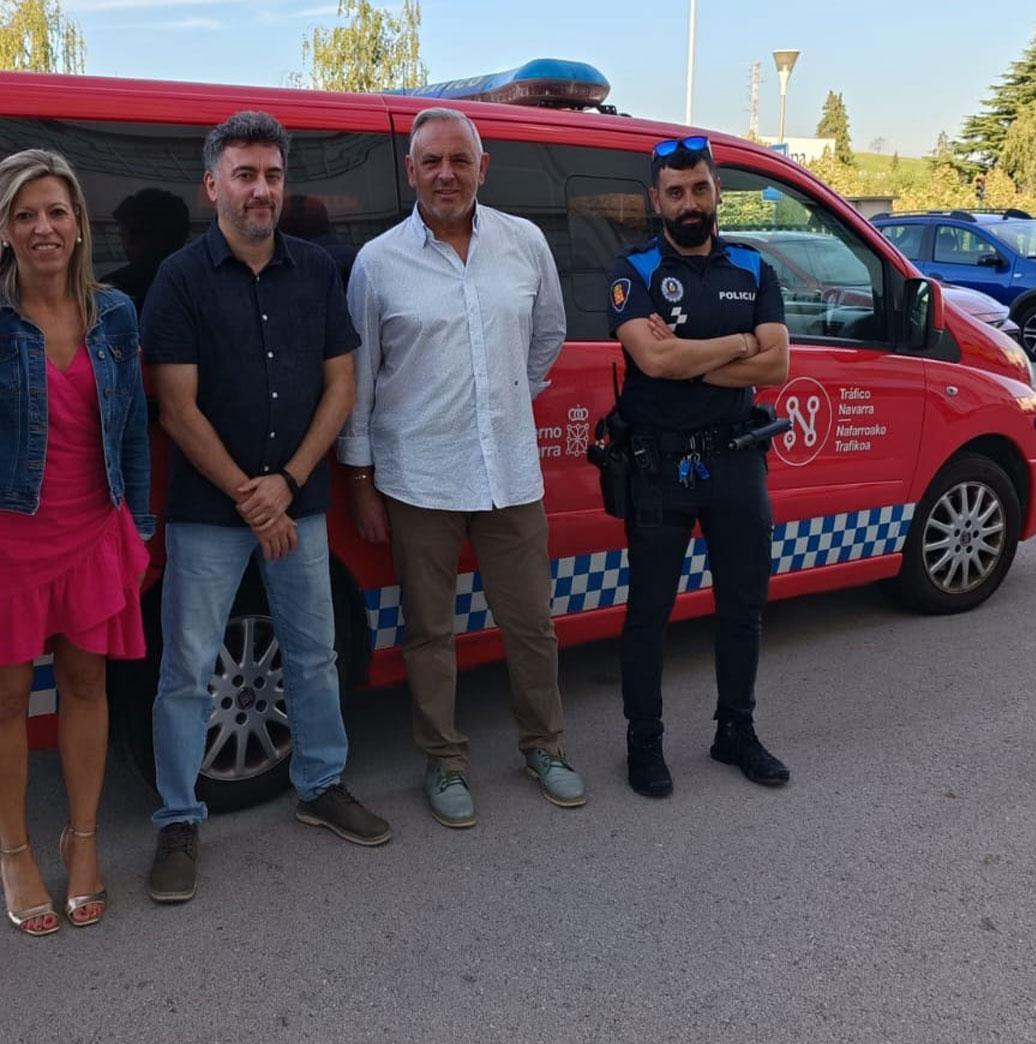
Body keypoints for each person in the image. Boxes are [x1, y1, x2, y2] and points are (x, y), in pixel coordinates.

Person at [141, 110, 391, 904]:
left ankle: (322, 786)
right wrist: (256, 498)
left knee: (314, 654)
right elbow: (177, 409)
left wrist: (286, 482)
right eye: (245, 175)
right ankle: (179, 818)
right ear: (212, 184)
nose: (261, 190)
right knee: (185, 671)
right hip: (209, 514)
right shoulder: (179, 278)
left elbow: (342, 385)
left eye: (273, 176)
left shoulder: (317, 270)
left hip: (299, 501)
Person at [0, 149, 152, 937]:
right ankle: (15, 850)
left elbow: (134, 432)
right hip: (0, 531)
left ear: (79, 224)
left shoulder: (117, 314)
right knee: (7, 693)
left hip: (94, 525)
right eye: (24, 215)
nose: (43, 228)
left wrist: (141, 527)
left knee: (88, 685)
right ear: (2, 228)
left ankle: (82, 839)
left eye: (56, 211)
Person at [339, 107, 580, 828]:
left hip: (509, 470)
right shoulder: (378, 263)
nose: (447, 174)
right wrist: (360, 478)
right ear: (410, 171)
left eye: (459, 160)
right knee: (429, 631)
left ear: (483, 167)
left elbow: (550, 334)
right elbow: (361, 375)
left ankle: (545, 746)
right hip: (419, 478)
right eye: (432, 162)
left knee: (531, 623)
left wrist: (504, 397)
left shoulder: (525, 243)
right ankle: (443, 761)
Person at [606, 135, 792, 798]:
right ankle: (644, 743)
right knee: (649, 613)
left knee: (744, 607)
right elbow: (653, 362)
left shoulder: (753, 267)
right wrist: (739, 346)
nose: (690, 202)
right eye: (676, 191)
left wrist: (697, 351)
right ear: (656, 200)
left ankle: (734, 731)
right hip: (659, 467)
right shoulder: (636, 269)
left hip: (738, 465)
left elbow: (778, 363)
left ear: (718, 193)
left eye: (701, 188)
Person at [101, 187, 191, 309]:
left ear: (133, 235)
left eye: (122, 232)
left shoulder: (111, 290)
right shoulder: (201, 284)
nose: (121, 238)